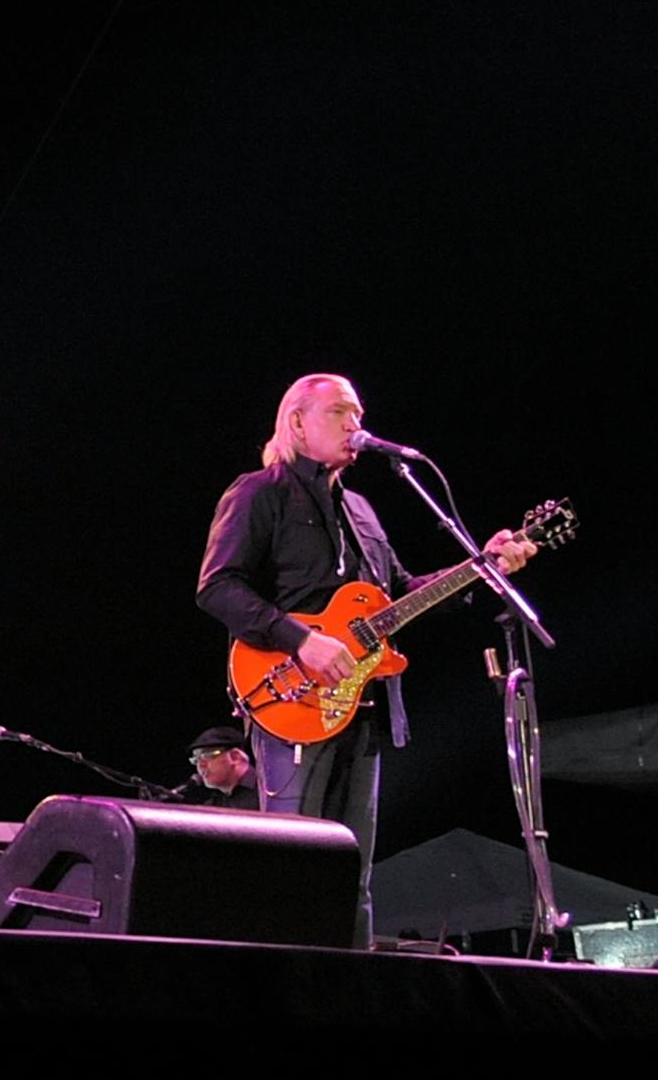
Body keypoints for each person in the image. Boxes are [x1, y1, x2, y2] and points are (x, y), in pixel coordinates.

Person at [196, 373, 536, 946]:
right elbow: (217, 587)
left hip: (363, 706)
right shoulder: (259, 492)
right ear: (297, 422)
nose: (356, 423)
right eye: (340, 412)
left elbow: (400, 598)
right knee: (292, 865)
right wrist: (300, 640)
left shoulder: (362, 510)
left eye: (358, 413)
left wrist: (486, 567)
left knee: (352, 875)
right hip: (292, 700)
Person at [172, 725, 259, 811]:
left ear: (234, 757)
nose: (200, 765)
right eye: (196, 759)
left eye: (207, 755)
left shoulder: (266, 789)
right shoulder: (215, 804)